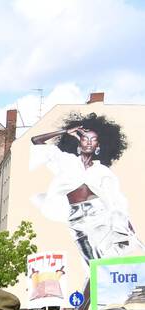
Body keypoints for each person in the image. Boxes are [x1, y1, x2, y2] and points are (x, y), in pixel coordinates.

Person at [30, 113, 144, 295]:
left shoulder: (102, 171)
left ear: (98, 145)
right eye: (85, 138)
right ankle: (92, 306)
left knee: (105, 262)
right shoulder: (66, 162)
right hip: (76, 219)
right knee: (91, 263)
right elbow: (36, 141)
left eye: (93, 139)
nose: (89, 142)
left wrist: (125, 223)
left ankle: (93, 306)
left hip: (99, 215)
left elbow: (115, 199)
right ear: (78, 142)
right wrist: (65, 131)